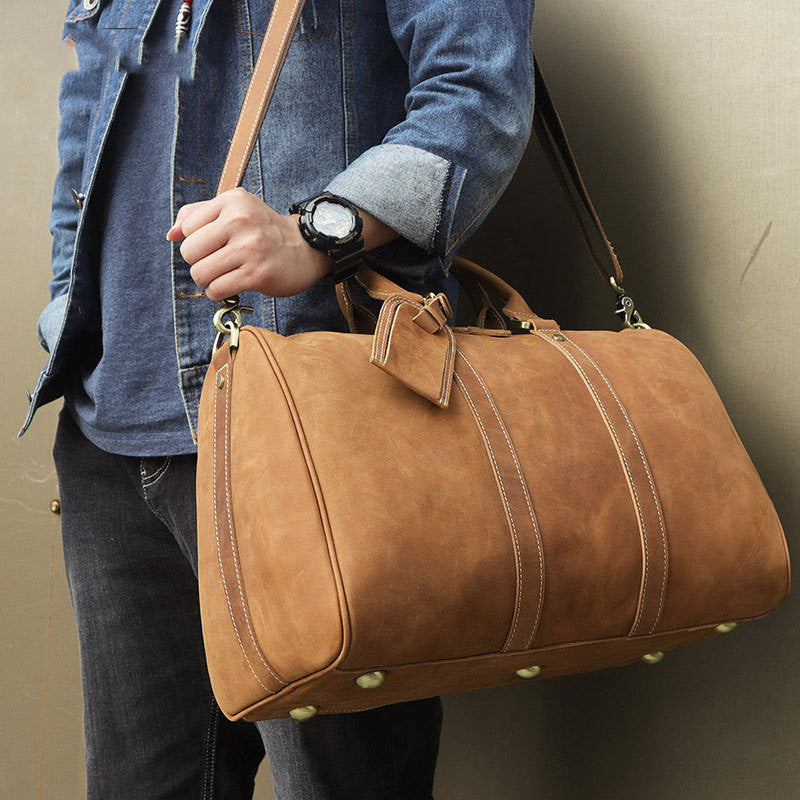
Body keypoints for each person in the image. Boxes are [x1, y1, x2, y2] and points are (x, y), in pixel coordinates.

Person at [20, 0, 539, 796]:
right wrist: (69, 300)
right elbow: (88, 115)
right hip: (111, 432)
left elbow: (478, 96)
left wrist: (316, 232)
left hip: (313, 440)